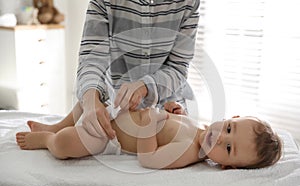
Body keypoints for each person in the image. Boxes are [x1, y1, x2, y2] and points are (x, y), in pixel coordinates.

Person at [16, 102, 282, 169]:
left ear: (225, 165)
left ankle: (49, 139)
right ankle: (54, 125)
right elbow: (174, 123)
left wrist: (148, 128)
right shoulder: (200, 127)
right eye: (228, 129)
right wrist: (175, 109)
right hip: (116, 114)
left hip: (112, 138)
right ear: (230, 118)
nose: (220, 138)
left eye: (227, 149)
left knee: (67, 144)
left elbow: (148, 158)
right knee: (85, 105)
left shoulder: (189, 152)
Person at [77, 0, 200, 140]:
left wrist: (146, 86)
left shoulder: (189, 3)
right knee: (81, 114)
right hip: (117, 106)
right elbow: (92, 60)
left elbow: (178, 68)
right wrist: (90, 100)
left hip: (168, 108)